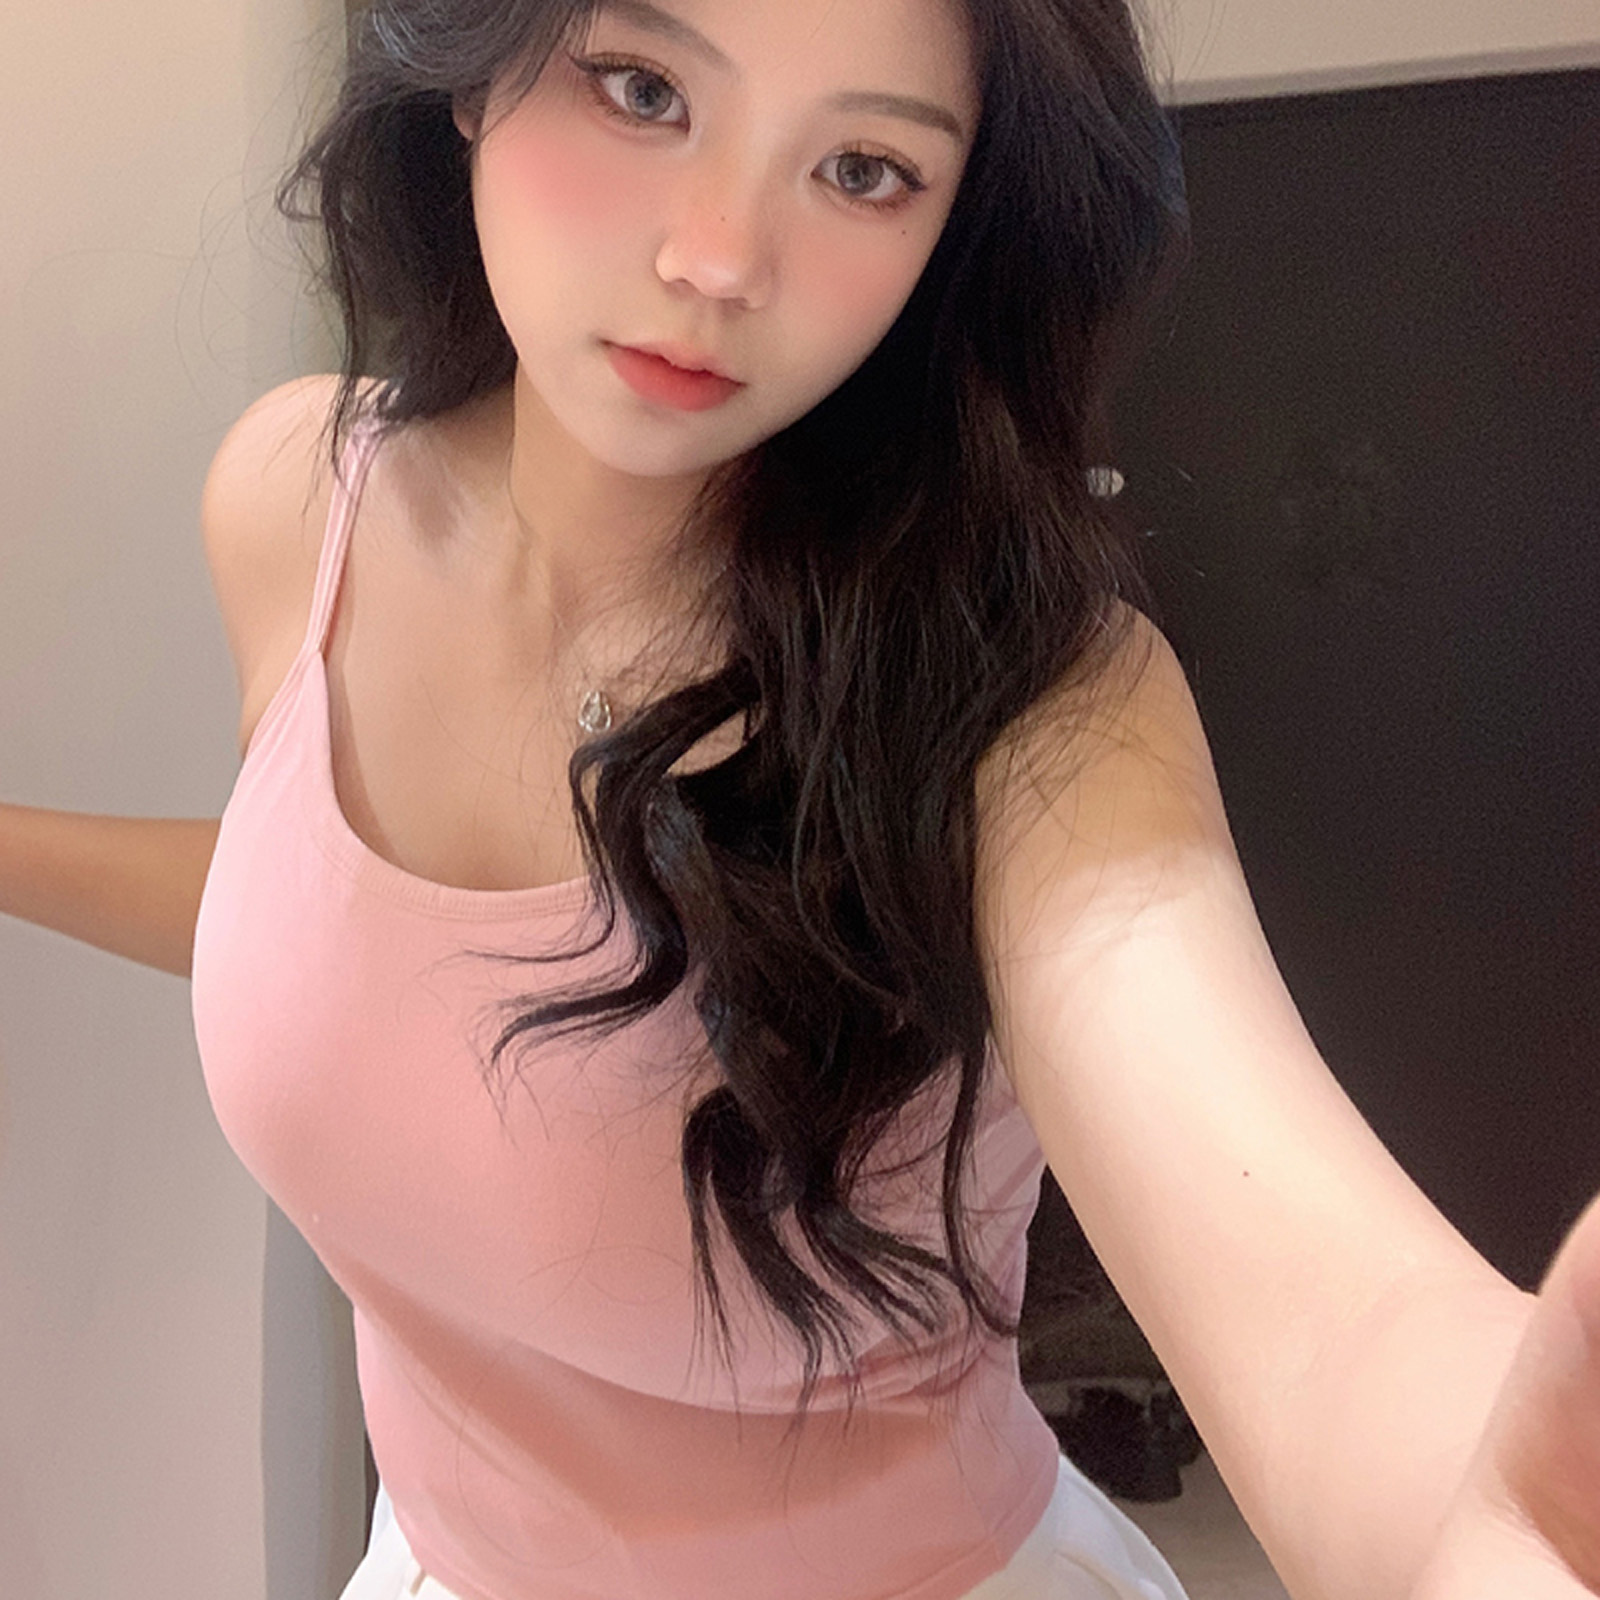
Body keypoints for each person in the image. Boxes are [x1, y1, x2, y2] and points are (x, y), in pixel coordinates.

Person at [3, 0, 1598, 1596]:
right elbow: (342, 930)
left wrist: (1478, 1516)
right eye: (641, 87)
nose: (717, 261)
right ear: (477, 73)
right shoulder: (300, 503)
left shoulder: (1025, 706)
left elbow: (1313, 1296)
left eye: (862, 168)